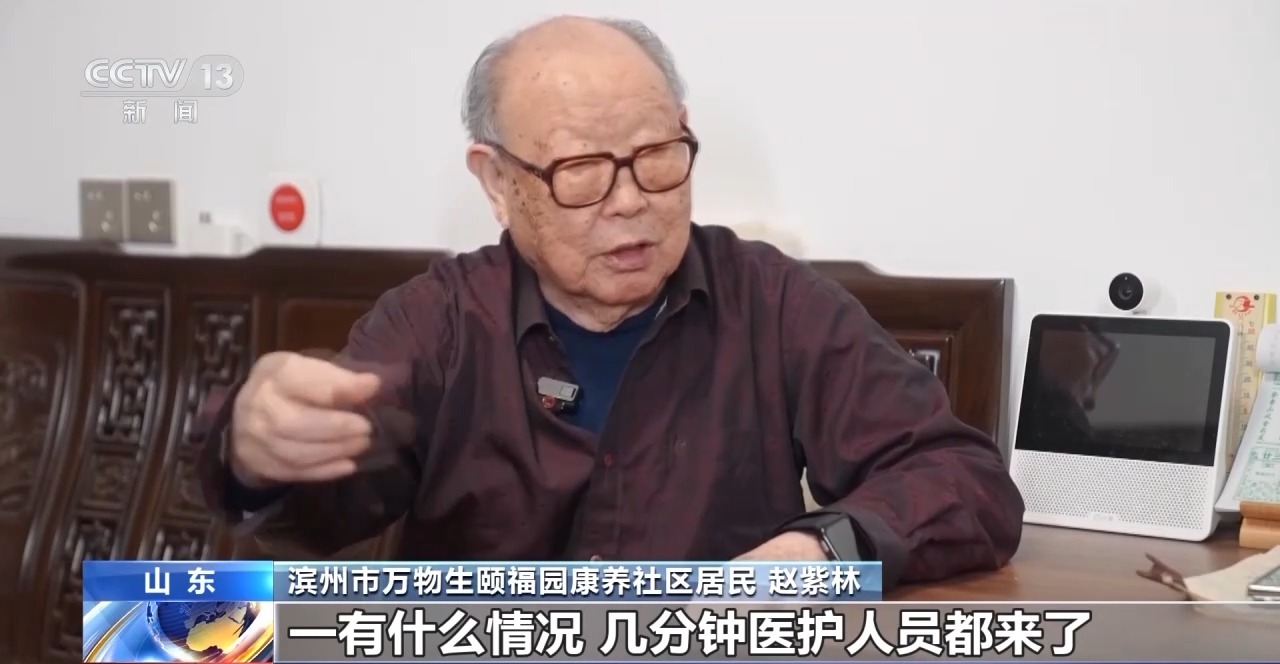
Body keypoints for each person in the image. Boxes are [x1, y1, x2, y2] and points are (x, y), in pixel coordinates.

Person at [199, 16, 1025, 591]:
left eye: (657, 155)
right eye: (581, 172)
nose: (631, 201)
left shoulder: (773, 305)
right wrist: (253, 449)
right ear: (497, 182)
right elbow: (322, 513)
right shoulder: (439, 325)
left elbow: (965, 479)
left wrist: (823, 550)